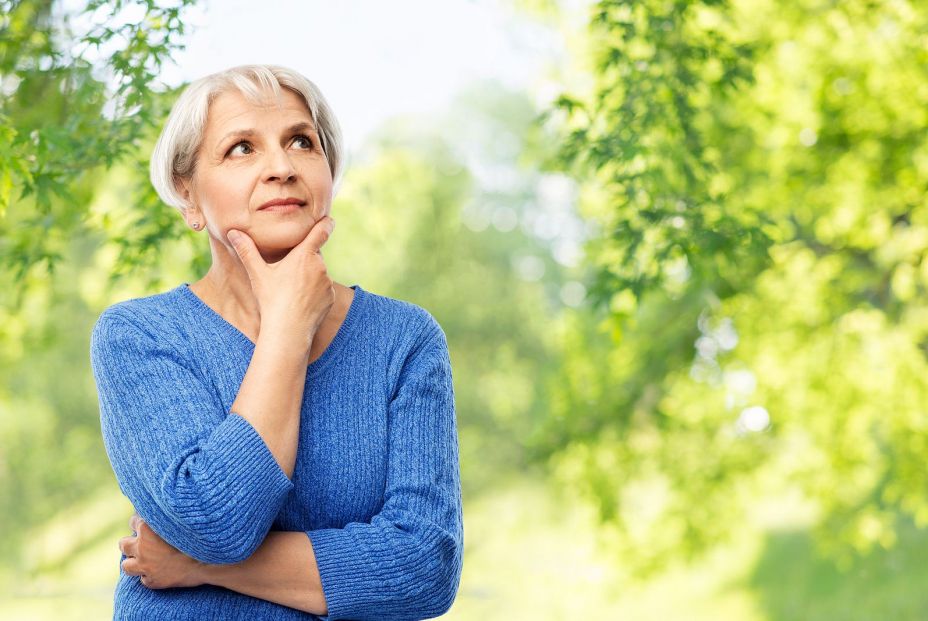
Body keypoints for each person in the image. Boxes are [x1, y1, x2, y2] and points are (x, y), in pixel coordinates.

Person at [89, 64, 464, 620]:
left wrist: (198, 567)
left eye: (301, 142)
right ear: (188, 195)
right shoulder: (139, 335)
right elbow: (214, 520)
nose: (282, 168)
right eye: (241, 148)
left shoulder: (404, 340)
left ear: (329, 173)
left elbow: (423, 568)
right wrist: (289, 325)